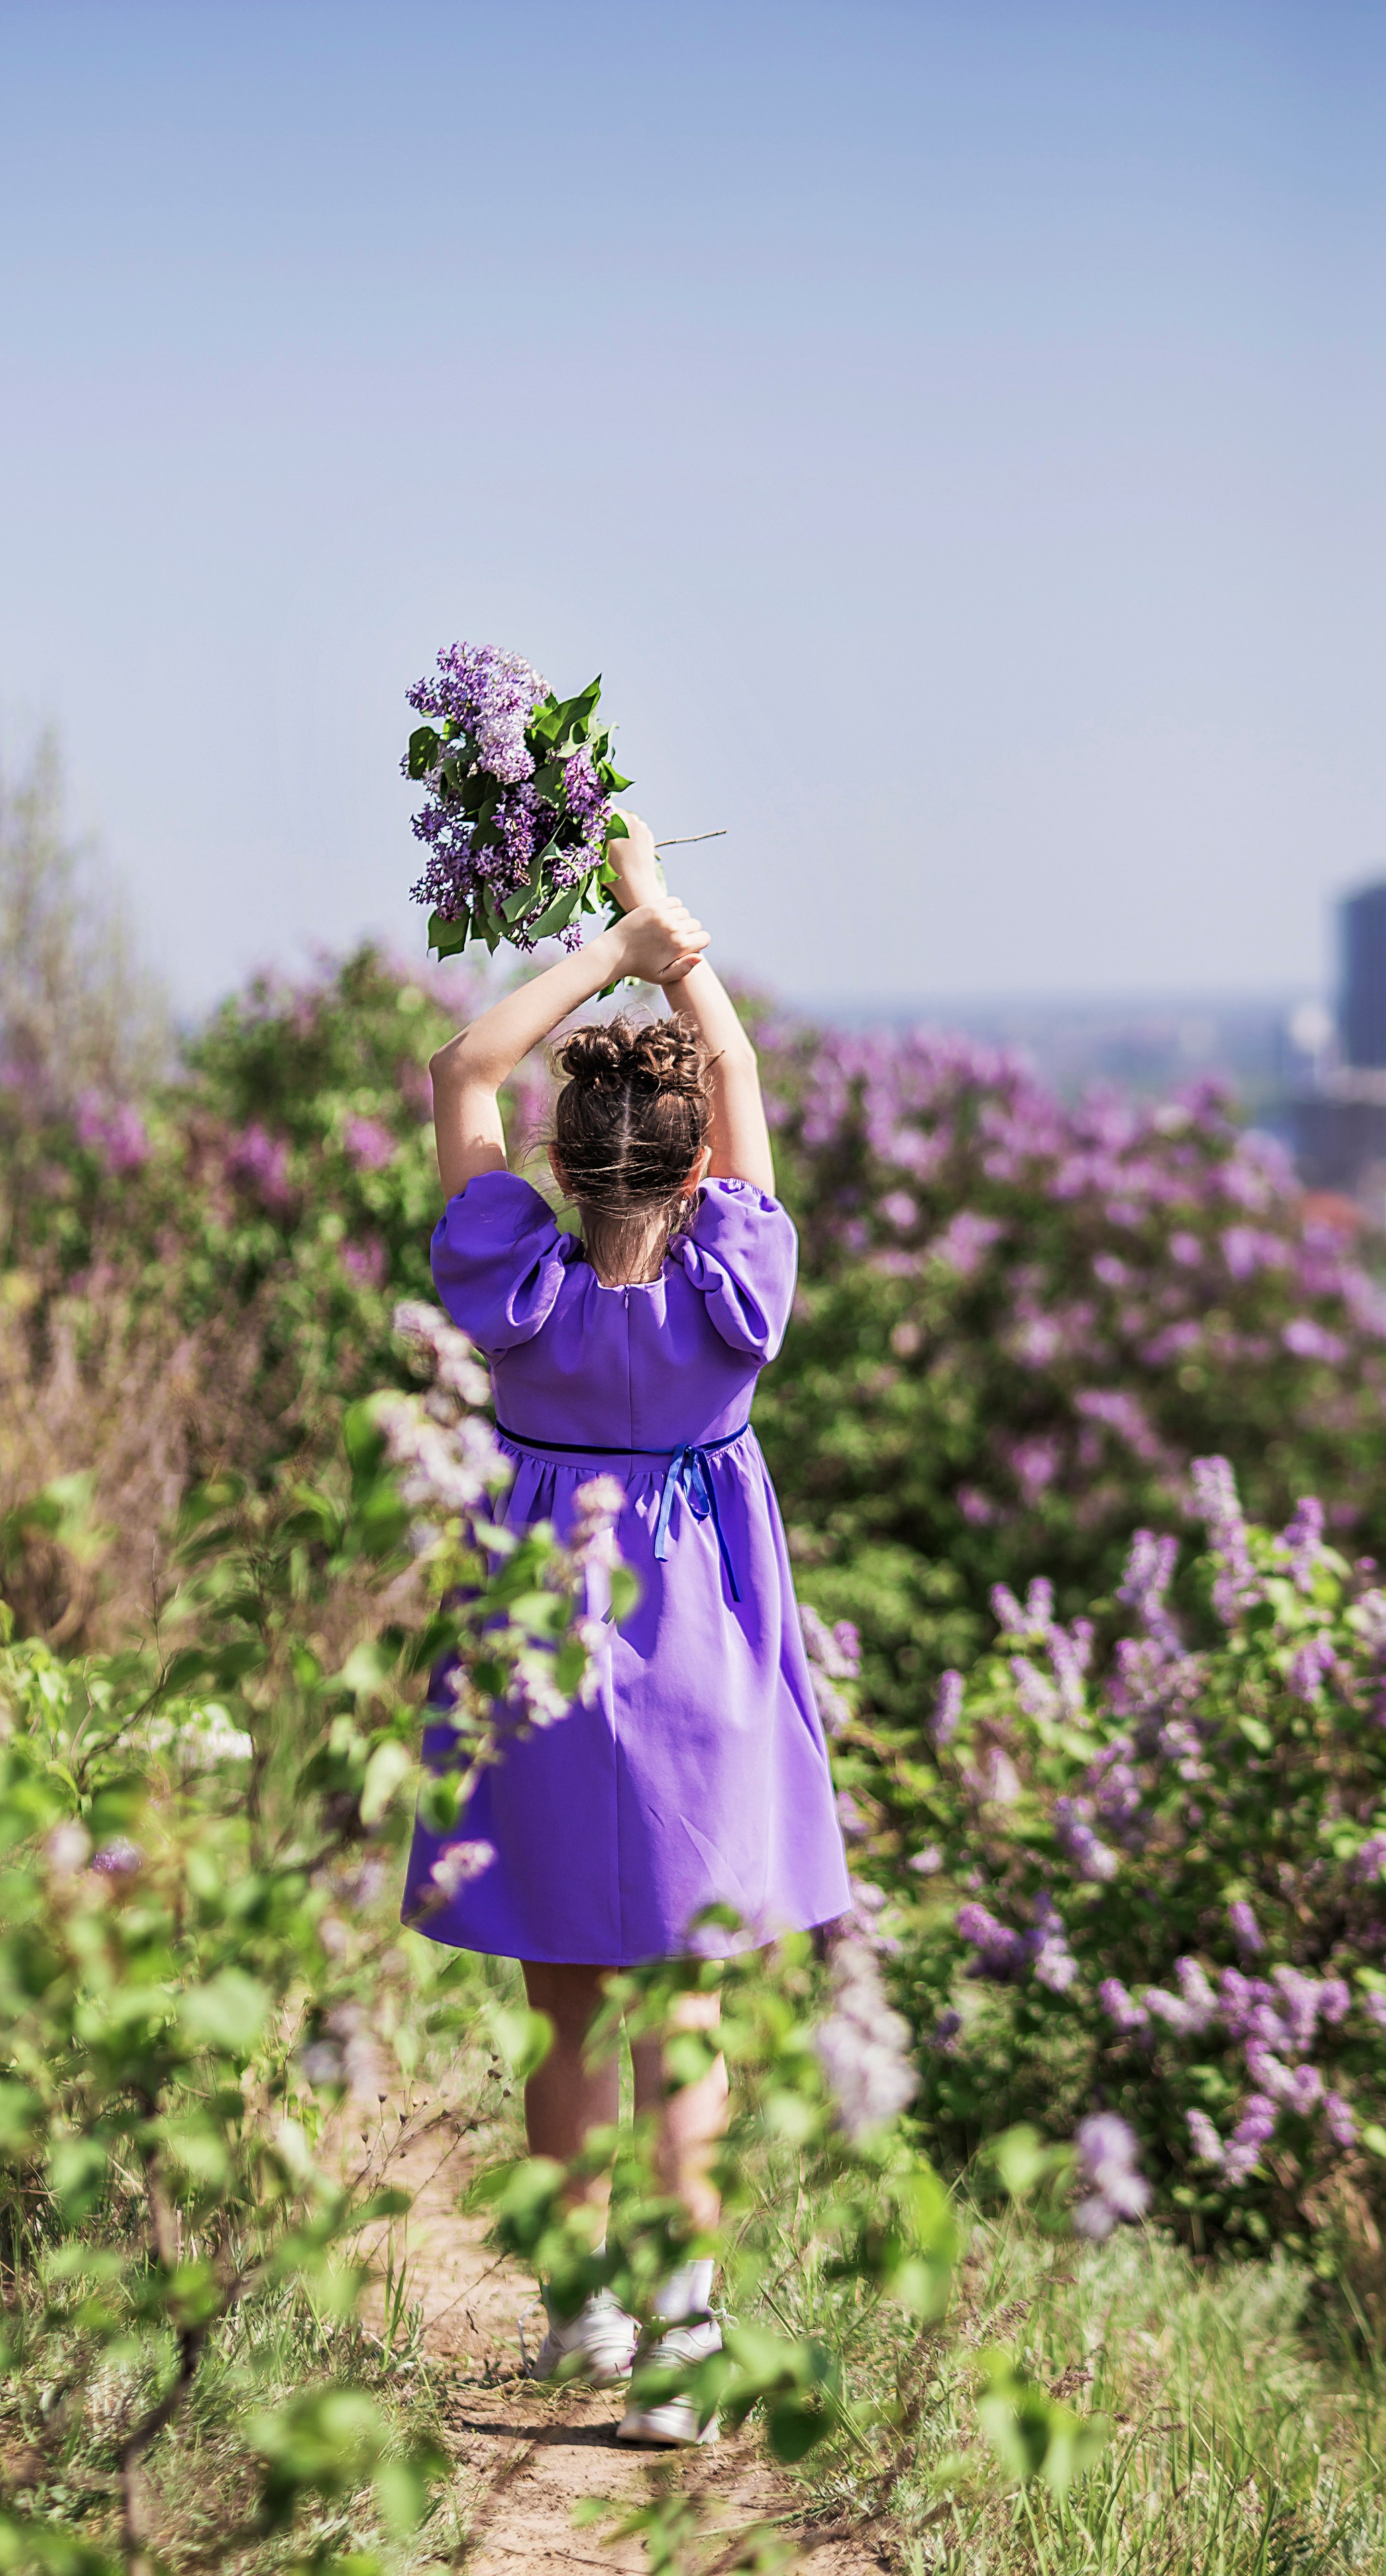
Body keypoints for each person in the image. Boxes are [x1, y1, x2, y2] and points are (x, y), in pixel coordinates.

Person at [403, 815, 850, 2443]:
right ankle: (681, 2331)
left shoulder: (512, 1284)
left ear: (571, 1156)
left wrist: (605, 948)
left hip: (539, 1665)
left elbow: (462, 1070)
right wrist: (669, 927)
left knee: (566, 2006)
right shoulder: (733, 1291)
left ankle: (578, 2308)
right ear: (686, 1160)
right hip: (703, 1676)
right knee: (690, 2019)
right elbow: (734, 1077)